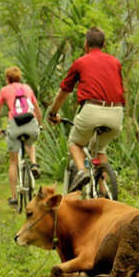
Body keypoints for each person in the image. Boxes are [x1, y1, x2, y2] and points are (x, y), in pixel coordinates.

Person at [46, 27, 124, 192]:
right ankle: (105, 193)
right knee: (100, 149)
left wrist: (52, 113)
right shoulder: (115, 62)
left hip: (92, 110)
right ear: (104, 44)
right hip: (117, 114)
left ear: (86, 44)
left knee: (75, 143)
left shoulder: (81, 62)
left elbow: (64, 91)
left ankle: (82, 171)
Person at [0, 66, 42, 207]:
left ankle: (14, 197)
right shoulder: (27, 88)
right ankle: (34, 163)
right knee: (31, 143)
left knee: (13, 162)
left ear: (7, 79)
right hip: (31, 122)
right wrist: (39, 124)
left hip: (15, 124)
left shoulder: (4, 90)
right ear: (19, 77)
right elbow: (37, 109)